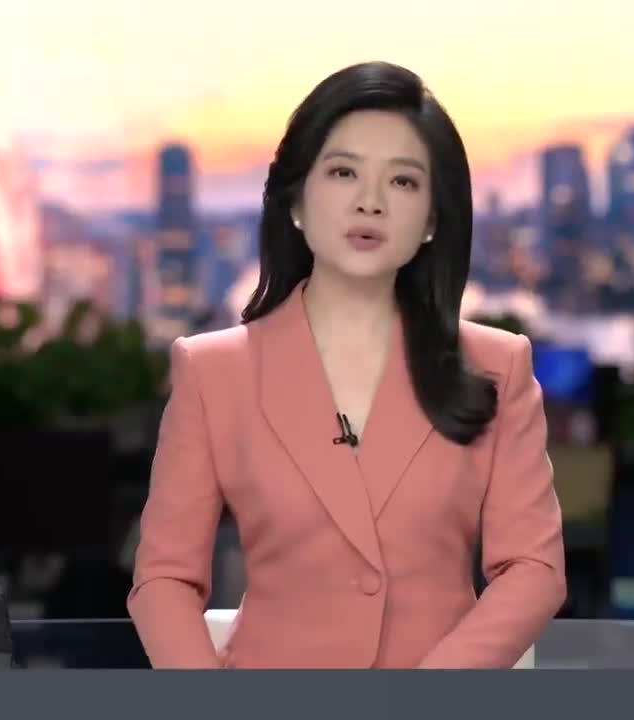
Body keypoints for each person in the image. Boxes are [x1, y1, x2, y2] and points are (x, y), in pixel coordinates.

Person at [127, 61, 566, 668]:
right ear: (296, 200)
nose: (370, 203)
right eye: (343, 173)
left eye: (403, 182)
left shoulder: (498, 366)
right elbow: (164, 579)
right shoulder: (213, 372)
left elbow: (534, 570)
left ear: (432, 219)